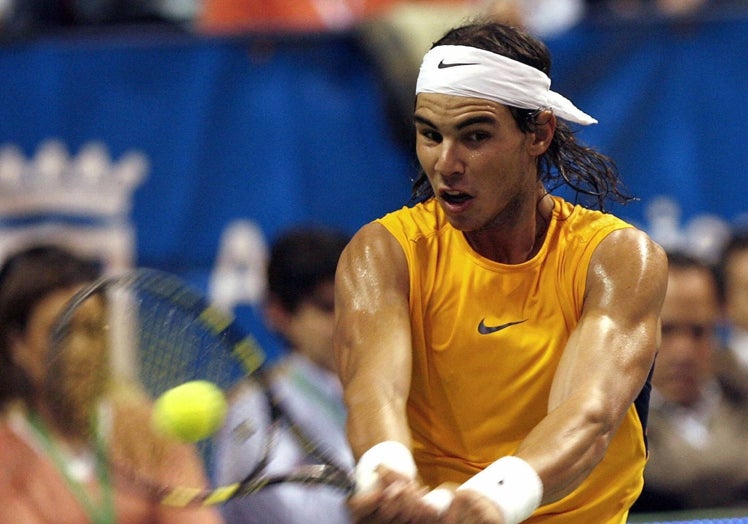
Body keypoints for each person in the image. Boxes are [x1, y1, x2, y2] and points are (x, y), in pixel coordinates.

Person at [333, 20, 668, 524]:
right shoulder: (383, 253)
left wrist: (497, 497)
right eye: (430, 134)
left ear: (538, 133)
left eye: (475, 136)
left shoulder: (616, 259)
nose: (446, 163)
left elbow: (588, 416)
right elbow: (373, 390)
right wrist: (388, 470)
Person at [0, 244, 223, 524]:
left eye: (92, 329)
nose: (79, 351)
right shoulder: (5, 458)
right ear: (17, 345)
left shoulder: (150, 430)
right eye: (60, 332)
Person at [216, 225, 354, 523]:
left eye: (354, 302)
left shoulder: (396, 387)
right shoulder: (251, 408)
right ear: (278, 312)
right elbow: (283, 515)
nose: (348, 320)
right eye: (328, 307)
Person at [631, 251, 748, 512]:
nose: (684, 352)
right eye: (667, 331)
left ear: (721, 321)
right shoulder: (613, 414)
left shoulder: (740, 391)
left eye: (699, 331)